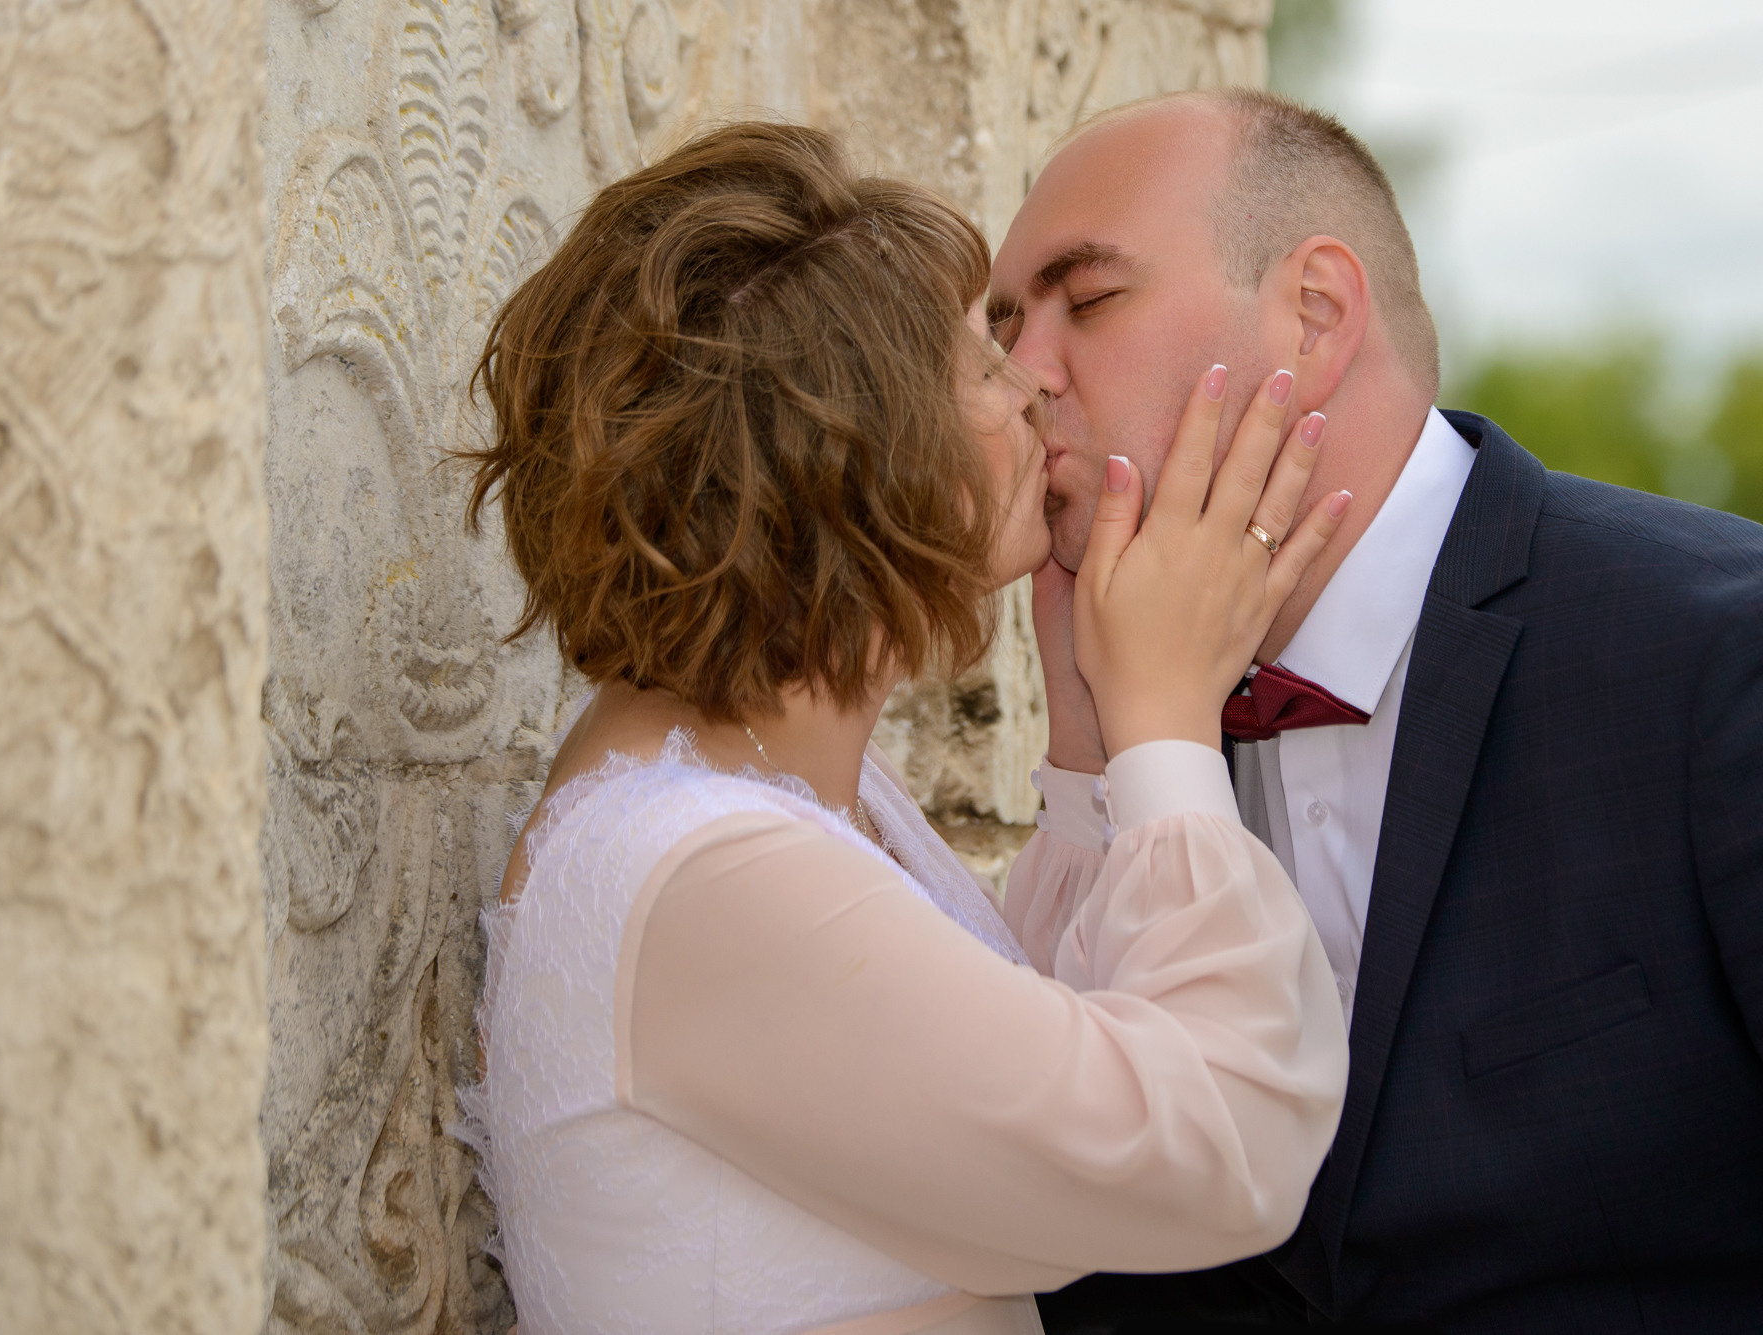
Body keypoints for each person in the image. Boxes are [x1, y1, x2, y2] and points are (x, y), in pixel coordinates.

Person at [461, 121, 1352, 1334]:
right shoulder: (696, 870)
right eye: (980, 362)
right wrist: (1166, 730)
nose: (1035, 383)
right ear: (849, 451)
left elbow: (1028, 1051)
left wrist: (1090, 733)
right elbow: (1221, 1152)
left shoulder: (773, 788)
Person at [990, 88, 1763, 1333]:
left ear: (1313, 314)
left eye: (1084, 301)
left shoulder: (1717, 651)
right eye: (1001, 327)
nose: (1025, 375)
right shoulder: (1126, 731)